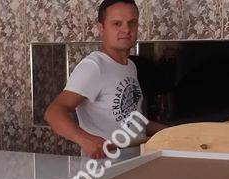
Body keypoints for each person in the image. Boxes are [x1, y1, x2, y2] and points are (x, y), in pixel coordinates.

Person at [44, 0, 167, 159]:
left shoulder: (130, 66)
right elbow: (54, 112)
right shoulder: (94, 66)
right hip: (103, 169)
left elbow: (132, 120)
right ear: (101, 28)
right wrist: (84, 139)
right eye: (117, 23)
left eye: (131, 23)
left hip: (133, 164)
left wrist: (172, 132)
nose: (126, 29)